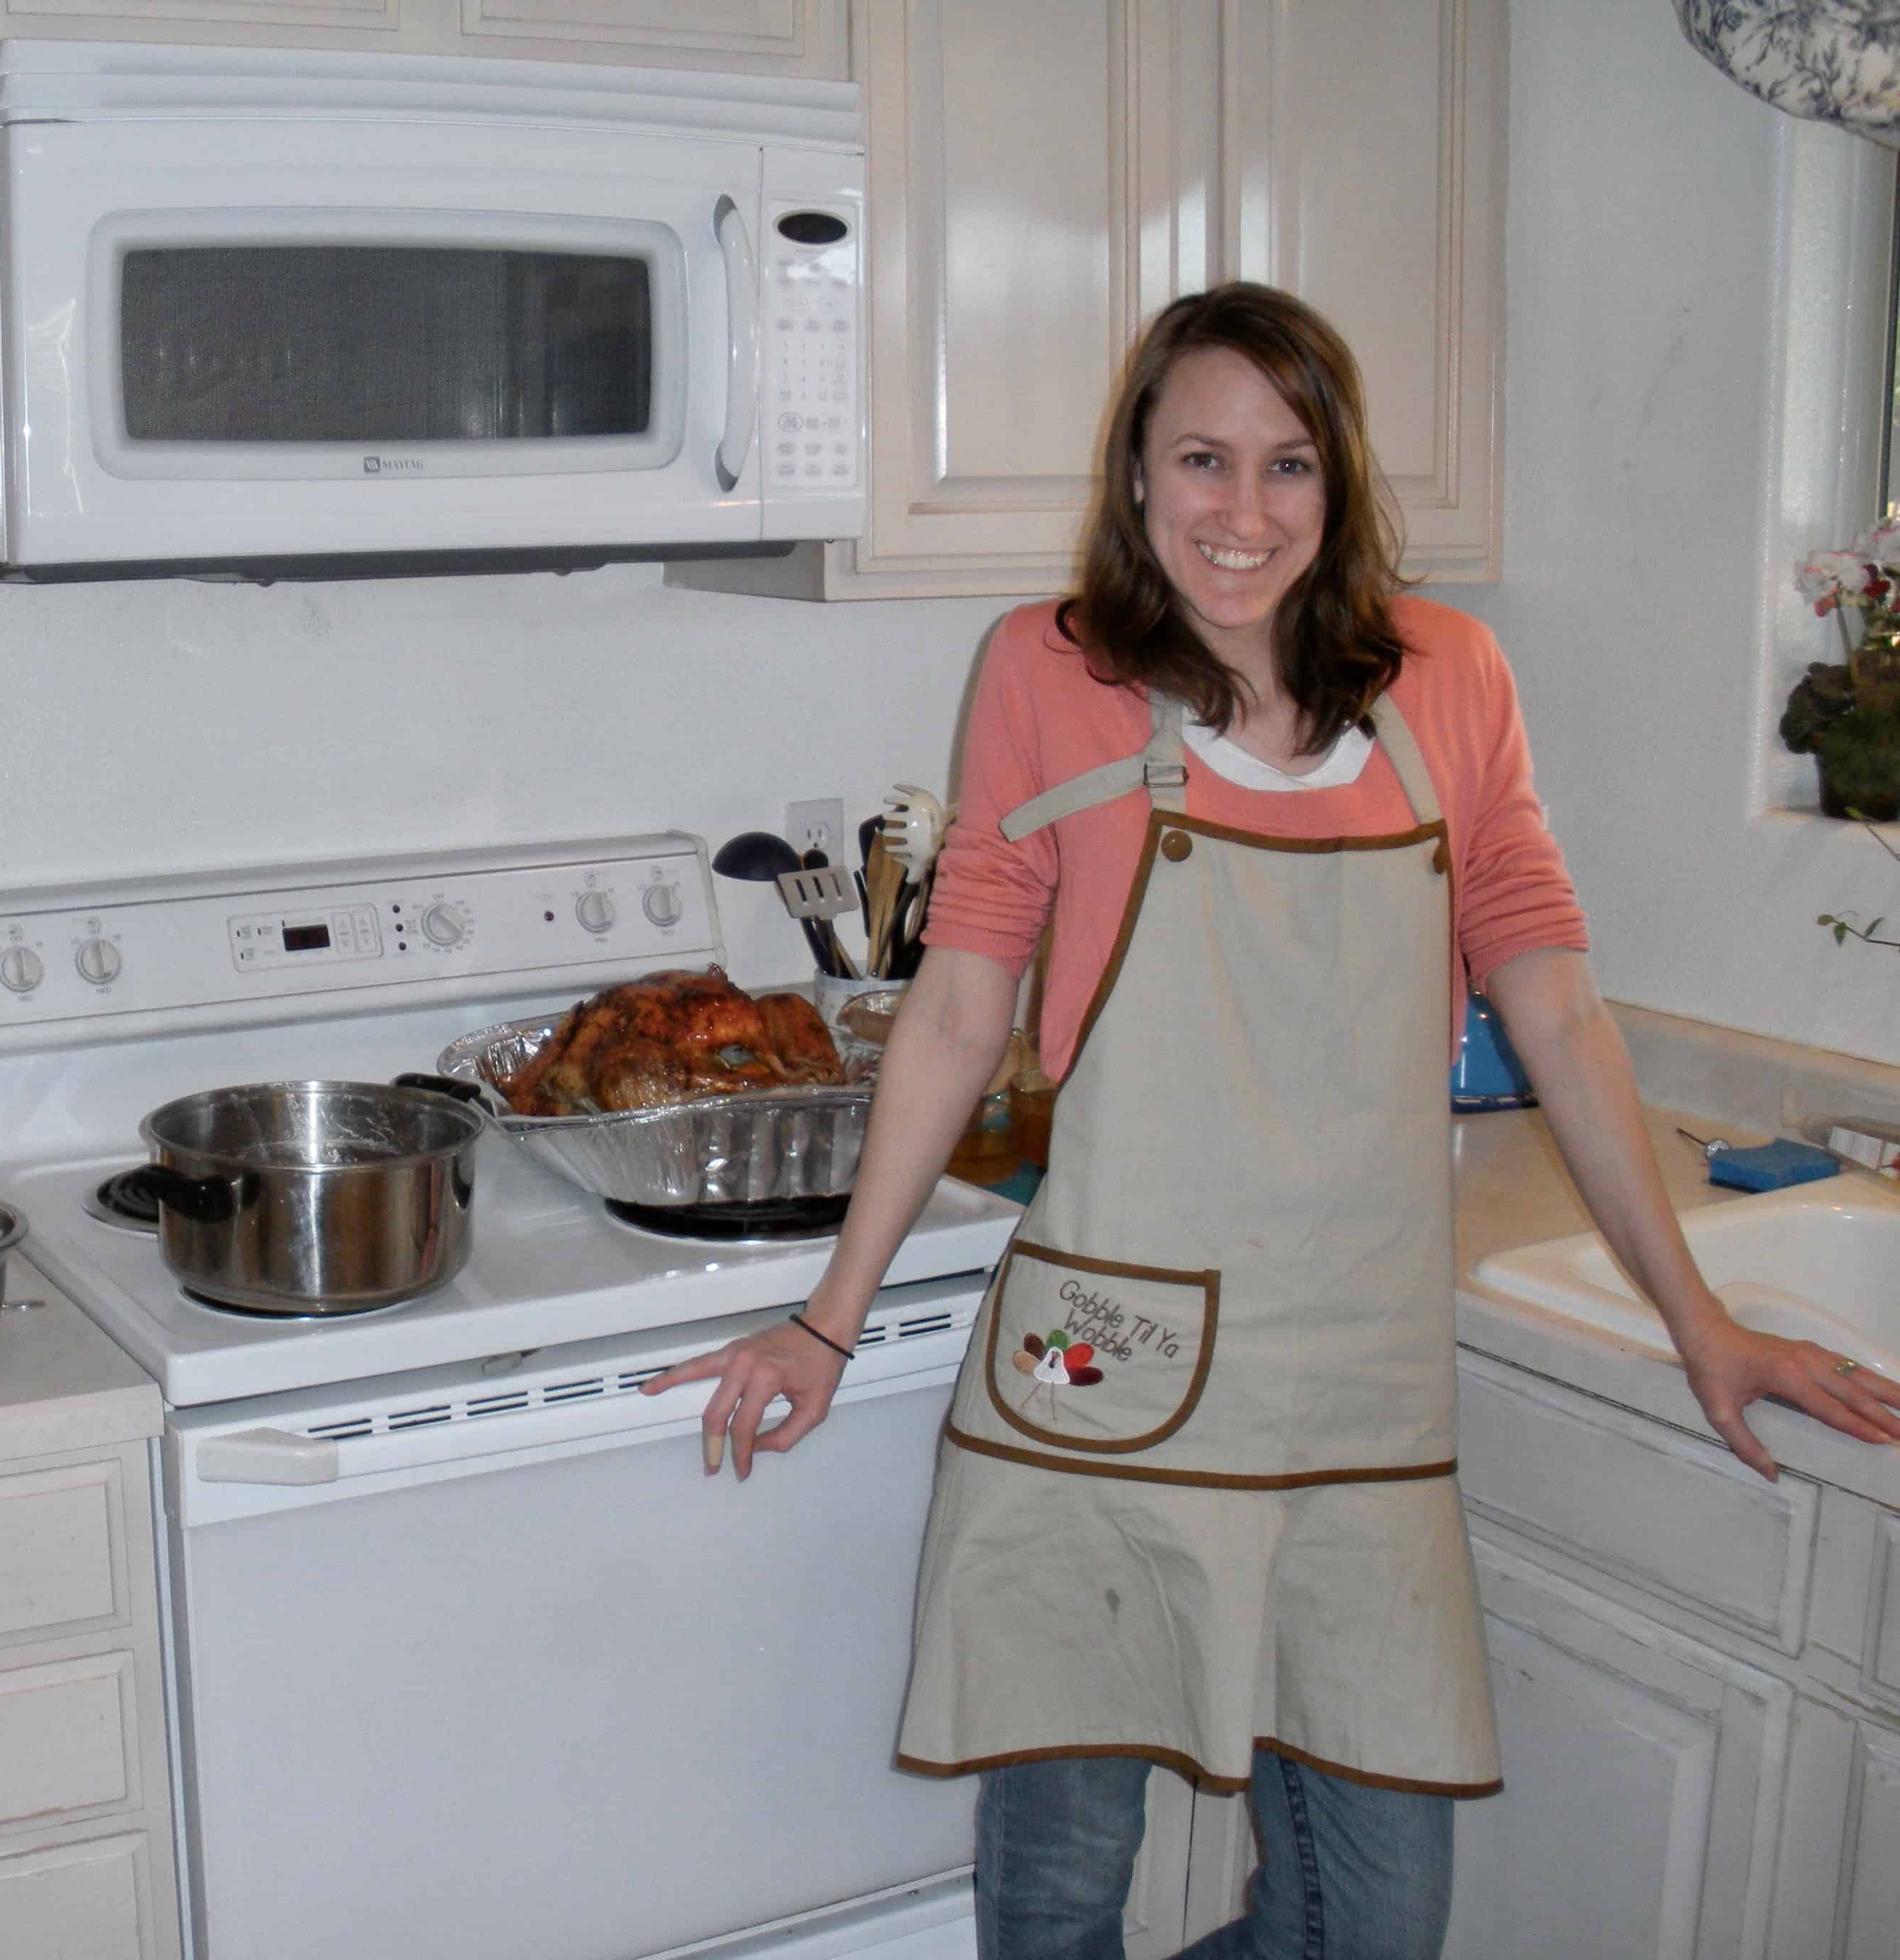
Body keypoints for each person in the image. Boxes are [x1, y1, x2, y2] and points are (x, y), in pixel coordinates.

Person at [644, 282, 1900, 1959]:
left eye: (1289, 464)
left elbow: (1561, 1008)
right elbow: (959, 1011)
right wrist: (828, 1320)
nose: (1244, 514)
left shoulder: (1453, 676)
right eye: (1202, 460)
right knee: (1061, 1898)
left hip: (1357, 1391)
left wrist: (1705, 1322)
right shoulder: (1051, 666)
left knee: (1372, 1926)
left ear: (1342, 477)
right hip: (1103, 1378)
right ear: (1139, 477)